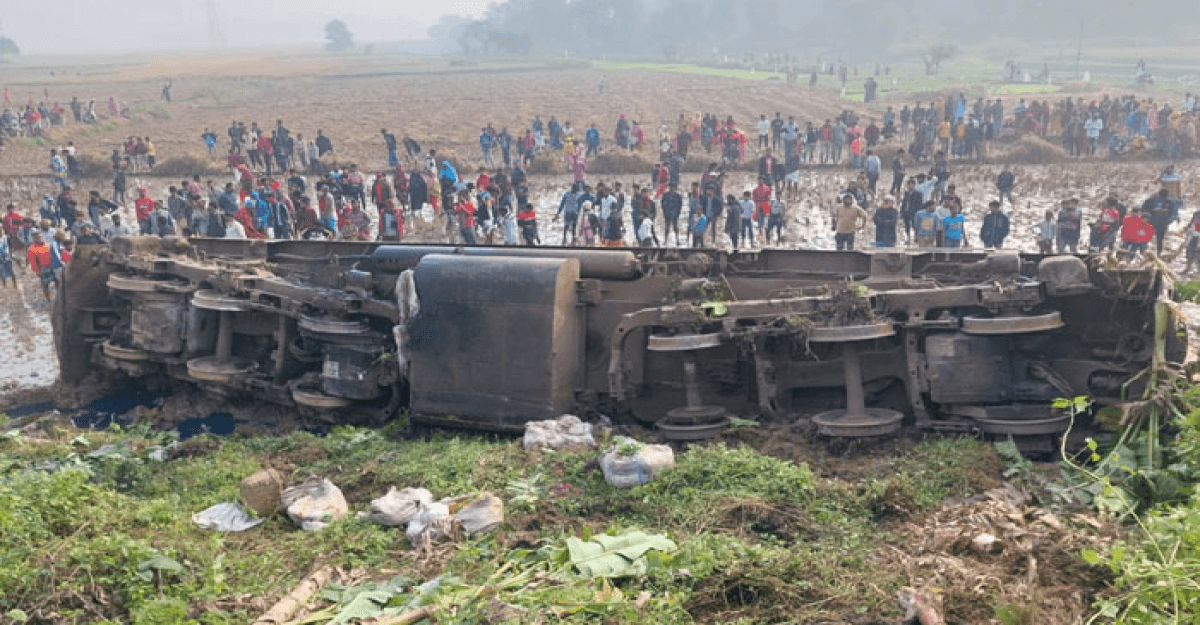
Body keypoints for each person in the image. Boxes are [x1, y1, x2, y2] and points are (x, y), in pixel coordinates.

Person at [1142, 188, 1175, 255]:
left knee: (1146, 237)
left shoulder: (1152, 200)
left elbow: (1143, 208)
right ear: (1167, 194)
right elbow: (1173, 214)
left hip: (1151, 222)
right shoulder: (1170, 202)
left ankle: (1143, 251)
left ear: (1159, 193)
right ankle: (1159, 252)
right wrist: (1167, 222)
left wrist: (1146, 218)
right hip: (1162, 223)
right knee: (1160, 239)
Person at [26, 231, 56, 300]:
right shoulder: (31, 249)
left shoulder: (48, 244)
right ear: (33, 239)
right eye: (37, 237)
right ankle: (48, 299)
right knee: (45, 285)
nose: (39, 238)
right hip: (43, 269)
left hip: (52, 266)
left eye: (40, 236)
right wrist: (37, 271)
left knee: (57, 282)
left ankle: (59, 297)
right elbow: (32, 262)